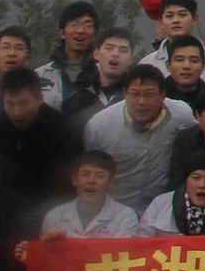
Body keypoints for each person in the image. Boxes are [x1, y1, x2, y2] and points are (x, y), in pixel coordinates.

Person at [82, 66, 194, 210]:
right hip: (114, 208)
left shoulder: (182, 116)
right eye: (135, 94)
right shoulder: (99, 126)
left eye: (149, 94)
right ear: (125, 93)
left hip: (163, 208)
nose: (141, 102)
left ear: (162, 95)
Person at [0, 63, 81, 213]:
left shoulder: (61, 128)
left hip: (49, 205)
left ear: (39, 98)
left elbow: (66, 180)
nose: (16, 112)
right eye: (10, 103)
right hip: (5, 204)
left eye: (23, 103)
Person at [39, 151, 143, 237]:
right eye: (86, 174)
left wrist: (67, 239)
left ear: (110, 183)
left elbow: (119, 252)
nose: (91, 180)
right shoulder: (54, 216)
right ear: (75, 180)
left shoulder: (126, 217)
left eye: (100, 176)